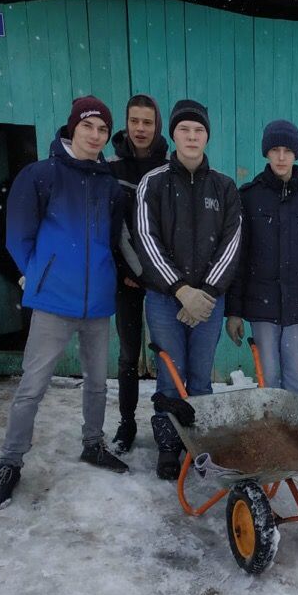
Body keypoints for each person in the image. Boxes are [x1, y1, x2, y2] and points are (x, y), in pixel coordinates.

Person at [0, 95, 128, 511]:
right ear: (72, 129)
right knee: (32, 387)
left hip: (97, 303)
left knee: (98, 383)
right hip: (51, 302)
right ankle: (10, 463)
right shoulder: (40, 175)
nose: (96, 135)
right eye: (88, 127)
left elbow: (113, 239)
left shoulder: (109, 184)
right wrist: (35, 273)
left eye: (102, 129)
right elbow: (17, 234)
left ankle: (93, 443)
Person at [134, 99, 242, 480]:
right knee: (170, 375)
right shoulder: (154, 183)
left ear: (207, 136)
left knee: (199, 377)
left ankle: (198, 445)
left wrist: (206, 292)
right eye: (185, 130)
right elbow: (147, 240)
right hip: (165, 299)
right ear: (174, 135)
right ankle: (168, 444)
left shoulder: (225, 187)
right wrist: (181, 290)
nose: (192, 136)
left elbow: (231, 243)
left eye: (199, 130)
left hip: (210, 301)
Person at [225, 119, 298, 395]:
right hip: (261, 304)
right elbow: (240, 257)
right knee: (268, 375)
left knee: (295, 374)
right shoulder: (249, 197)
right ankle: (271, 431)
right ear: (266, 153)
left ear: (296, 154)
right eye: (275, 150)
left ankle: (291, 434)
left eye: (287, 150)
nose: (281, 157)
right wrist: (234, 311)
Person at [107, 93, 169, 453]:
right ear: (126, 123)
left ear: (156, 125)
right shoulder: (112, 167)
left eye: (147, 122)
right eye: (135, 121)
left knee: (166, 354)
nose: (141, 129)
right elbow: (109, 225)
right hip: (126, 278)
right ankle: (127, 423)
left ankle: (167, 426)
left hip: (162, 279)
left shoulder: (168, 166)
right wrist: (123, 270)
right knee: (129, 354)